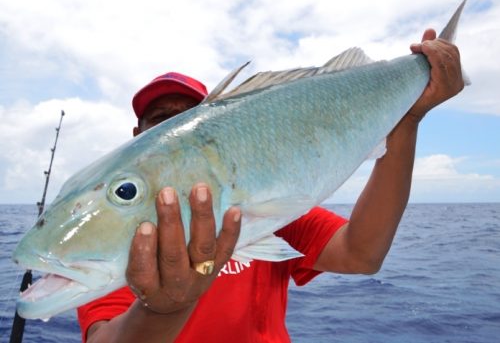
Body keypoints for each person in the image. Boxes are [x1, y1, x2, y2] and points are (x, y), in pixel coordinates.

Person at [77, 29, 464, 343]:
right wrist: (161, 307)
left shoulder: (265, 205)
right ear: (136, 137)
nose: (172, 135)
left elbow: (361, 254)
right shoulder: (112, 237)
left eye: (189, 121)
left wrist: (409, 119)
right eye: (159, 122)